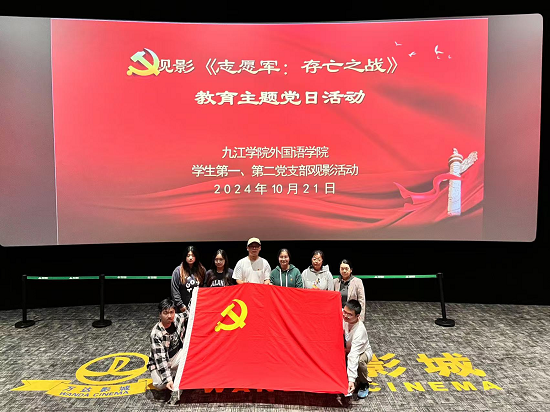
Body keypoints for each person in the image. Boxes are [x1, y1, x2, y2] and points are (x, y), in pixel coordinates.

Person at [148, 298, 188, 392]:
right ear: (160, 314)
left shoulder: (177, 318)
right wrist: (168, 379)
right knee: (159, 384)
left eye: (171, 312)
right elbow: (160, 359)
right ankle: (172, 374)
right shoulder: (156, 334)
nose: (169, 316)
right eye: (165, 313)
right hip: (161, 361)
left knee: (190, 354)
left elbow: (190, 312)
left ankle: (175, 372)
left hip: (176, 356)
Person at [343, 299, 373, 399]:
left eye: (349, 314)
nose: (345, 315)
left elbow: (354, 354)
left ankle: (364, 384)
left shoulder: (360, 330)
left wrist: (351, 380)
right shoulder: (344, 317)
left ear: (357, 316)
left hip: (362, 352)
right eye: (344, 312)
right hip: (347, 349)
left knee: (359, 361)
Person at [171, 246, 206, 313]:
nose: (190, 258)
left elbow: (205, 287)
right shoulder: (178, 271)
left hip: (198, 307)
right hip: (182, 308)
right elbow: (174, 290)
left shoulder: (202, 270)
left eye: (193, 255)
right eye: (188, 256)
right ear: (185, 257)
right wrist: (180, 305)